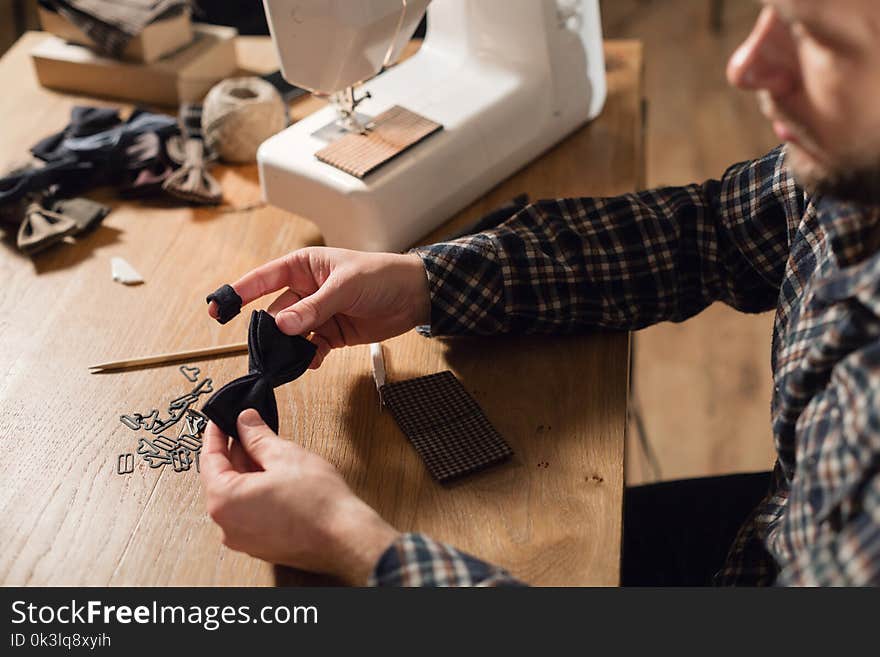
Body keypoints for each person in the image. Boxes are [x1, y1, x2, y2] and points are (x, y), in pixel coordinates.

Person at [200, 0, 880, 586]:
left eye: (820, 39)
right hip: (773, 530)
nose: (746, 66)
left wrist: (355, 544)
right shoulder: (852, 173)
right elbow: (714, 234)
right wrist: (425, 283)